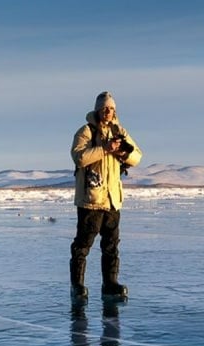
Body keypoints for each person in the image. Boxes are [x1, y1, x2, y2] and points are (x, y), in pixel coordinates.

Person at [70, 91, 142, 302]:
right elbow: (79, 157)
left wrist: (123, 153)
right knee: (83, 244)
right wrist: (105, 148)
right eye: (104, 108)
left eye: (111, 109)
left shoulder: (119, 131)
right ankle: (78, 286)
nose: (108, 112)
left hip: (112, 200)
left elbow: (137, 156)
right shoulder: (86, 132)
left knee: (111, 246)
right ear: (98, 110)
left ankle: (110, 284)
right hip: (90, 200)